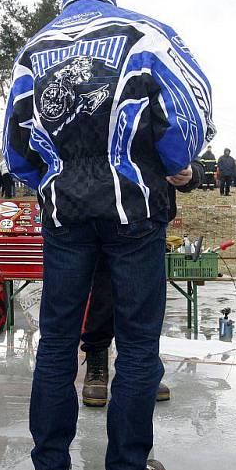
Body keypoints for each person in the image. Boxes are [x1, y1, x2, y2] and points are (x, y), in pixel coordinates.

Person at [2, 0, 212, 470]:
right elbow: (187, 110)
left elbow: (16, 151)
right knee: (139, 342)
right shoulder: (144, 35)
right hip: (135, 213)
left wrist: (53, 180)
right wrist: (178, 166)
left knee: (56, 342)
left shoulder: (32, 52)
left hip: (66, 218)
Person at [80, 160, 205, 408]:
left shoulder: (162, 120)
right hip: (100, 218)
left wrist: (191, 173)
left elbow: (188, 150)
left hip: (149, 221)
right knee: (103, 299)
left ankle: (144, 369)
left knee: (144, 305)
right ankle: (96, 363)